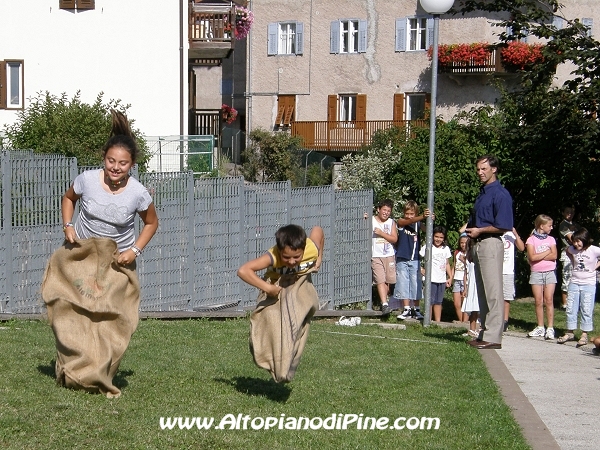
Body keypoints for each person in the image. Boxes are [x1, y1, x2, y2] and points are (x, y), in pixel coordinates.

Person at [43, 110, 159, 397]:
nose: (115, 168)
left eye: (122, 163)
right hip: (81, 256)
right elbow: (68, 199)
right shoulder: (87, 180)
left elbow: (151, 223)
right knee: (72, 314)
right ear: (103, 159)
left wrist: (134, 250)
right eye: (111, 161)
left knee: (113, 321)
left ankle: (102, 371)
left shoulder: (138, 193)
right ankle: (72, 368)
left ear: (132, 165)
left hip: (116, 263)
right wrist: (68, 225)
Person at [237, 224, 324, 383]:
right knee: (269, 323)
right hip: (275, 288)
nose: (291, 261)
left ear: (303, 249)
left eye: (296, 257)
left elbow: (318, 230)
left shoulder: (311, 248)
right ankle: (265, 356)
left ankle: (284, 370)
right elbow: (244, 270)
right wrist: (267, 288)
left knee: (293, 327)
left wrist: (319, 258)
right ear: (279, 250)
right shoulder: (272, 256)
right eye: (286, 257)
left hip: (299, 287)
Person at [465, 154, 513, 350]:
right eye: (478, 169)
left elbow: (505, 225)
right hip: (478, 244)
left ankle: (494, 336)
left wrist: (481, 231)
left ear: (494, 169)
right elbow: (474, 221)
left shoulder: (500, 194)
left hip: (491, 243)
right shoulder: (482, 193)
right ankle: (485, 332)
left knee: (493, 291)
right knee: (483, 293)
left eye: (484, 169)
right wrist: (470, 242)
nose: (480, 172)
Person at [557, 228, 600, 346]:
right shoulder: (573, 249)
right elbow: (567, 251)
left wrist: (595, 267)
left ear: (585, 239)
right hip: (574, 282)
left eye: (579, 241)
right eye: (574, 241)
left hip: (588, 283)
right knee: (571, 307)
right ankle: (570, 332)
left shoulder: (594, 250)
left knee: (586, 308)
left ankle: (584, 334)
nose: (576, 244)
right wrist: (573, 262)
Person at [394, 201, 430, 320]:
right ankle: (406, 308)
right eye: (407, 213)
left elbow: (427, 230)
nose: (409, 216)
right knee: (403, 283)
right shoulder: (401, 222)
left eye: (412, 213)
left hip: (415, 258)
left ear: (416, 213)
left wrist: (430, 219)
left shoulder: (418, 223)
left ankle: (417, 309)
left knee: (416, 283)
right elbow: (405, 222)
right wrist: (421, 217)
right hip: (402, 257)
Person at [526, 214, 558, 340]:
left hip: (549, 272)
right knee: (538, 301)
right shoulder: (531, 240)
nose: (551, 228)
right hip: (536, 273)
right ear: (541, 226)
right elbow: (532, 257)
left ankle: (550, 328)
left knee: (548, 299)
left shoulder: (551, 239)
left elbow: (554, 255)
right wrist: (546, 252)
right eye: (549, 225)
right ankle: (540, 327)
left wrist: (540, 255)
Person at [419, 225, 452, 323]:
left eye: (441, 237)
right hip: (431, 279)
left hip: (441, 279)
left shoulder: (445, 249)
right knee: (430, 301)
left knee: (438, 301)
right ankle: (427, 320)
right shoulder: (428, 247)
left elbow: (447, 263)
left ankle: (437, 322)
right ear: (432, 236)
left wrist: (450, 277)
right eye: (436, 236)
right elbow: (418, 258)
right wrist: (421, 268)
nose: (438, 239)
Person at [370, 199, 398, 315]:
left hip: (389, 255)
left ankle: (387, 302)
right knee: (380, 279)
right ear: (378, 210)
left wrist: (381, 233)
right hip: (376, 255)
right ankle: (384, 304)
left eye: (388, 211)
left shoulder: (391, 222)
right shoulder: (372, 220)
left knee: (388, 280)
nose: (386, 213)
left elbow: (394, 239)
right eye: (384, 210)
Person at [502, 227, 525, 332]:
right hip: (496, 270)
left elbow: (521, 248)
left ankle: (505, 320)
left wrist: (515, 233)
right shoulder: (496, 235)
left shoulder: (511, 235)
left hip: (508, 271)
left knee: (506, 297)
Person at [558, 206, 578, 310]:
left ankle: (573, 301)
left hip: (576, 253)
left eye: (571, 212)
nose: (570, 214)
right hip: (567, 252)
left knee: (575, 276)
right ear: (563, 213)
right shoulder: (563, 225)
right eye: (567, 212)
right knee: (566, 276)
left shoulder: (574, 225)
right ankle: (564, 303)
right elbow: (572, 239)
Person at [462, 238, 480, 338]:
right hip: (472, 285)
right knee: (473, 308)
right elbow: (466, 274)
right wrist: (465, 288)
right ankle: (472, 329)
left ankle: (481, 328)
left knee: (479, 308)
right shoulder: (468, 259)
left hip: (479, 284)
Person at [452, 233, 469, 322]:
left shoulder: (470, 253)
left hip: (465, 280)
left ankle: (465, 322)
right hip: (457, 279)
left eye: (465, 243)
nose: (463, 244)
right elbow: (454, 266)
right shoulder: (457, 252)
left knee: (464, 302)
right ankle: (461, 320)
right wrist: (451, 278)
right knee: (456, 304)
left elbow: (471, 266)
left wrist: (464, 260)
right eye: (461, 242)